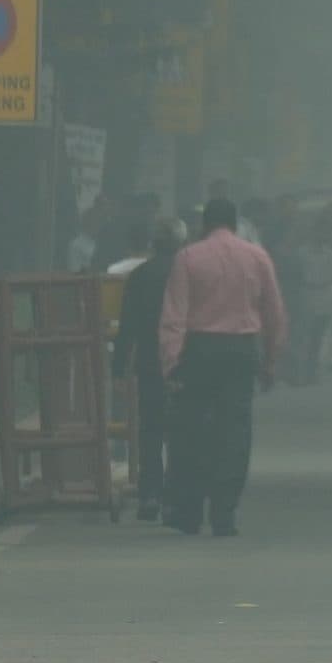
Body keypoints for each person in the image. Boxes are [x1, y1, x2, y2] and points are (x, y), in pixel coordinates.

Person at [158, 198, 286, 537]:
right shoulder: (257, 256)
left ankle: (189, 512)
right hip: (241, 351)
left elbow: (174, 316)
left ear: (204, 224)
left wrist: (171, 363)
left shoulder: (188, 257)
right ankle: (224, 514)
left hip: (199, 350)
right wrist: (270, 361)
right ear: (235, 223)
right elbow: (274, 314)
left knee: (192, 431)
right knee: (235, 432)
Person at [110, 218, 186, 521]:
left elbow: (127, 326)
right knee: (181, 430)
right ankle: (175, 496)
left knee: (151, 429)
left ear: (154, 243)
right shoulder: (190, 274)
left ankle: (150, 495)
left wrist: (118, 368)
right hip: (184, 361)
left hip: (150, 361)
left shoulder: (140, 275)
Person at [290, 208, 332, 386]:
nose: (324, 235)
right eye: (321, 231)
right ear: (314, 232)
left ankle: (311, 373)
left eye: (327, 232)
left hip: (324, 298)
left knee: (317, 338)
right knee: (301, 338)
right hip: (305, 295)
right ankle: (297, 373)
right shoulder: (301, 253)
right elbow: (296, 276)